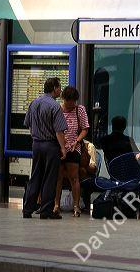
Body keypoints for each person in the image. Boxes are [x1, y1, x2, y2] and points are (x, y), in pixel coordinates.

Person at [22, 77, 67, 219]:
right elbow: (59, 131)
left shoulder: (34, 103)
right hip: (51, 146)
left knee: (35, 176)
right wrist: (63, 148)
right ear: (54, 88)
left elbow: (29, 125)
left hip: (36, 144)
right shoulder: (55, 106)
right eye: (59, 87)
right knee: (49, 178)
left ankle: (27, 209)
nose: (60, 90)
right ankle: (46, 211)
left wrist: (36, 138)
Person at [53, 86, 89, 217]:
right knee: (58, 178)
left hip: (74, 148)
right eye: (69, 101)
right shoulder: (57, 109)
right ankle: (56, 204)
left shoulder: (80, 109)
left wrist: (77, 141)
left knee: (74, 178)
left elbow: (85, 128)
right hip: (58, 147)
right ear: (64, 99)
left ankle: (76, 205)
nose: (72, 104)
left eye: (74, 101)